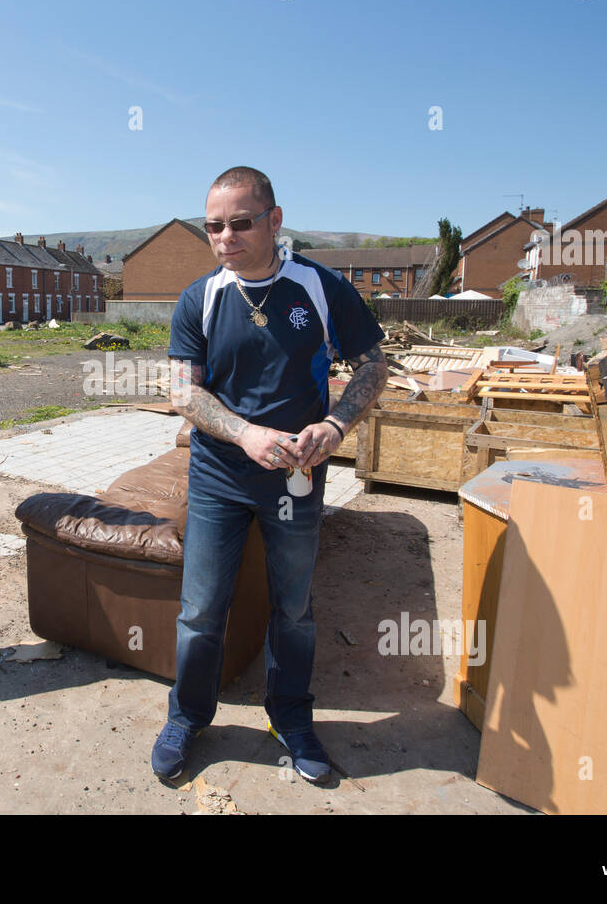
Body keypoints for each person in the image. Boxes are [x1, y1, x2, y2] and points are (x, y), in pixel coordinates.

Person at [152, 166, 388, 783]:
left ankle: (290, 717)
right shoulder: (199, 297)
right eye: (213, 226)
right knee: (202, 608)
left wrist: (335, 427)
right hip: (218, 477)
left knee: (293, 608)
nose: (224, 237)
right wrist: (244, 433)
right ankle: (188, 716)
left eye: (239, 223)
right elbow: (184, 391)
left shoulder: (320, 287)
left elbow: (372, 364)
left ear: (274, 220)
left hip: (296, 479)